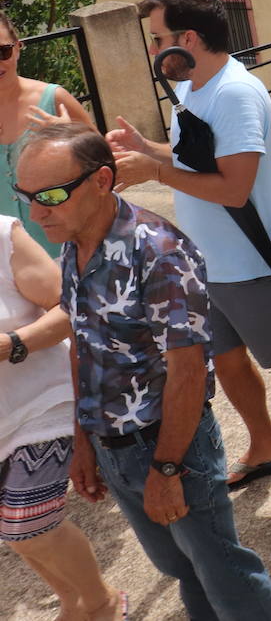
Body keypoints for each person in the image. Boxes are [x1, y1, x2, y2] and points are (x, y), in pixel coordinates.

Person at [18, 123, 271, 620]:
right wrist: (82, 440)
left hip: (168, 446)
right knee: (183, 570)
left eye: (50, 195)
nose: (36, 212)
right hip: (112, 446)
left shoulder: (158, 253)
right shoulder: (74, 244)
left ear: (101, 181)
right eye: (26, 195)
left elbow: (188, 374)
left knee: (225, 572)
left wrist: (166, 469)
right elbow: (83, 345)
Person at [107, 0, 271, 491]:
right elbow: (196, 157)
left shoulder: (236, 94)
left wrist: (153, 173)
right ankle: (266, 444)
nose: (154, 52)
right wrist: (148, 149)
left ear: (189, 38)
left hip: (249, 263)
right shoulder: (195, 87)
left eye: (158, 40)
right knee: (225, 358)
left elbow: (234, 186)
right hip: (208, 262)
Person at [1, 213, 123, 621]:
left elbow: (71, 308)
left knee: (28, 524)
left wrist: (14, 343)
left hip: (39, 407)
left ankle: (103, 601)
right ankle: (74, 601)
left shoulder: (5, 237)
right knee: (17, 533)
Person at [0, 11, 94, 256]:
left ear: (18, 48)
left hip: (64, 254)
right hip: (7, 263)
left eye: (2, 52)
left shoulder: (54, 99)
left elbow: (105, 166)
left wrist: (67, 141)